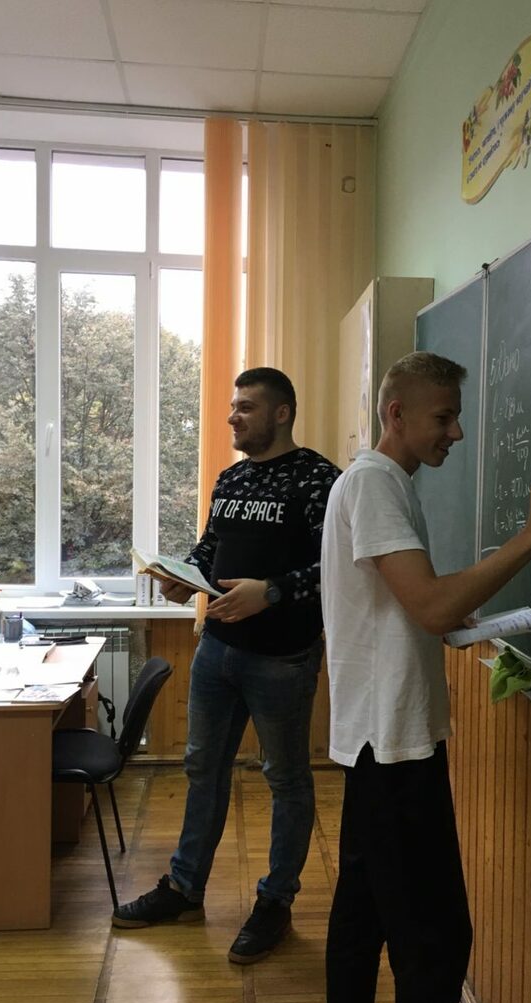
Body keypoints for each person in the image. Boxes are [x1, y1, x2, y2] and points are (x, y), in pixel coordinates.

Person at [320, 351, 531, 1003]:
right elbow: (430, 606)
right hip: (392, 744)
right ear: (396, 414)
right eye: (443, 417)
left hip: (378, 738)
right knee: (434, 942)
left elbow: (411, 604)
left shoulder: (376, 482)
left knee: (361, 919)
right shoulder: (375, 483)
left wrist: (437, 612)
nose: (455, 433)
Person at [112, 367, 341, 965]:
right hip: (216, 650)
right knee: (202, 769)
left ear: (282, 413)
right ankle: (185, 889)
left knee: (285, 778)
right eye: (233, 406)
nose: (232, 416)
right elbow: (211, 548)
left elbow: (339, 567)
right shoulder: (231, 477)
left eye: (246, 407)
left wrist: (272, 591)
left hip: (283, 657)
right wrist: (183, 577)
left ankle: (275, 902)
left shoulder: (320, 479)